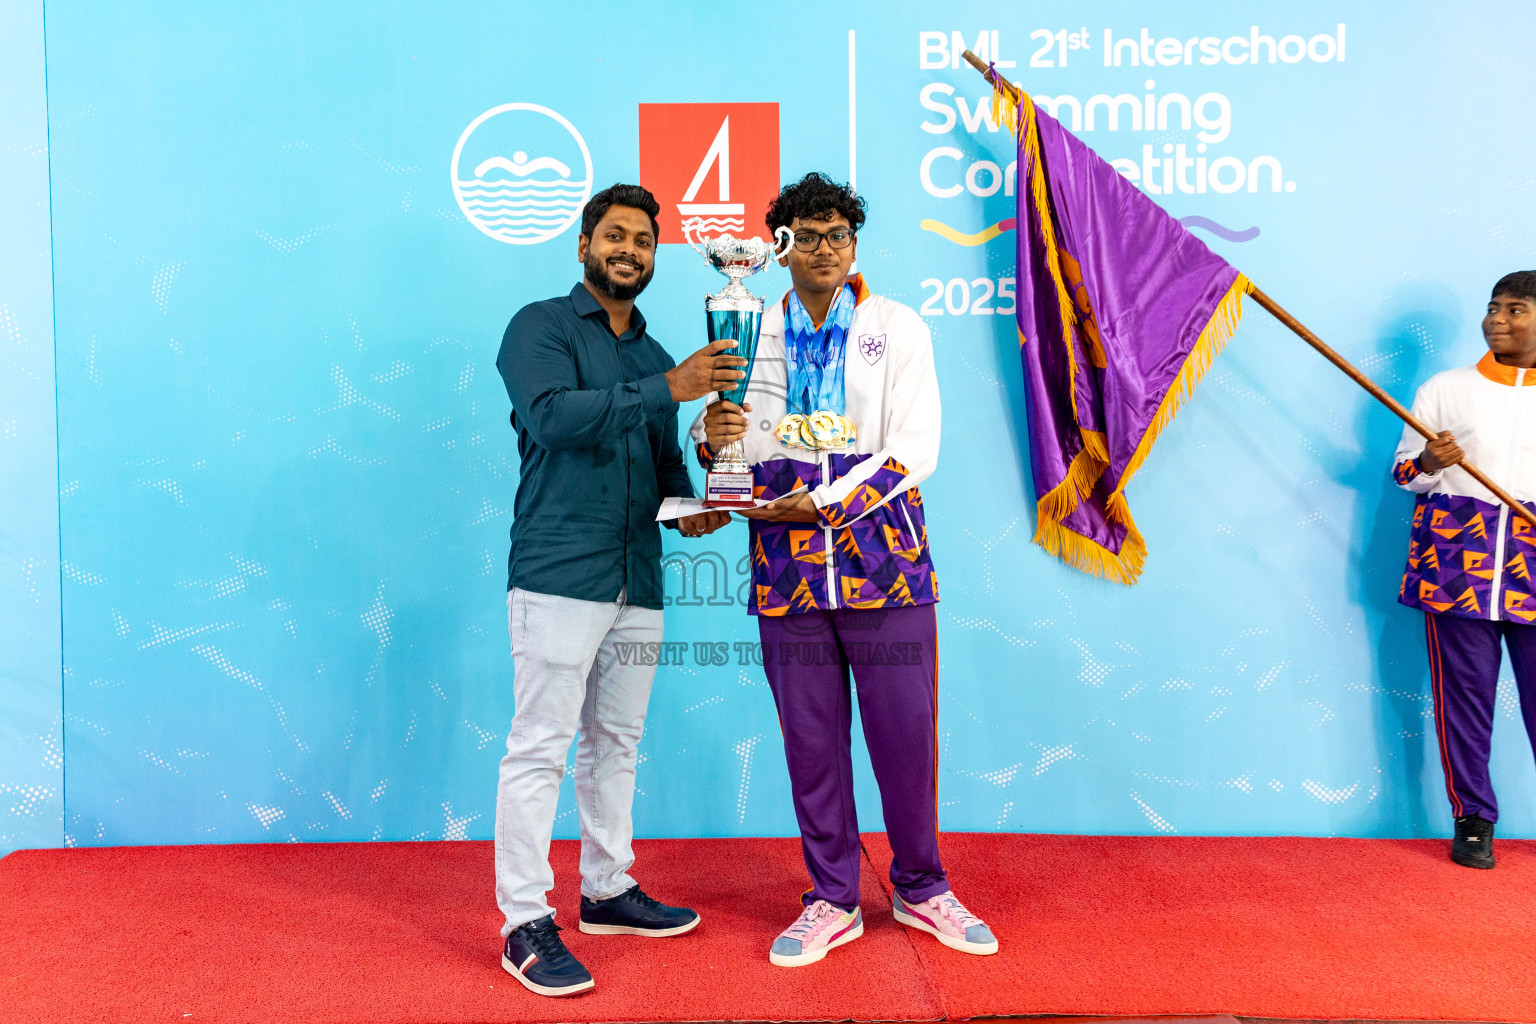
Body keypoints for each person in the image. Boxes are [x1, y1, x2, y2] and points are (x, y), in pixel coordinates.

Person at [691, 172, 997, 966]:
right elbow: (740, 446)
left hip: (884, 566)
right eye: (808, 235)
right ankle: (831, 896)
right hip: (785, 572)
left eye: (839, 235)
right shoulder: (747, 331)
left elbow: (911, 448)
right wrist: (708, 443)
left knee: (905, 736)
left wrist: (821, 505)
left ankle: (922, 886)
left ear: (854, 244)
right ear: (780, 248)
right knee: (811, 742)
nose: (825, 248)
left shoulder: (897, 328)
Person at [493, 183, 737, 996]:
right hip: (560, 574)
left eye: (644, 240)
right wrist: (669, 390)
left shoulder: (657, 355)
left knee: (616, 744)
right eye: (616, 236)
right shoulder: (540, 328)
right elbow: (555, 417)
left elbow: (667, 470)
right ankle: (524, 922)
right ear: (584, 245)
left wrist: (696, 509)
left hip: (638, 579)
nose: (630, 250)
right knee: (541, 748)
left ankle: (606, 890)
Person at [1393, 270, 1536, 869]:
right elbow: (1404, 474)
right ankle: (1472, 818)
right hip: (1456, 565)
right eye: (1493, 308)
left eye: (1516, 310)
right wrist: (1428, 458)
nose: (1497, 319)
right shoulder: (1444, 389)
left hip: (1532, 564)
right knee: (1465, 699)